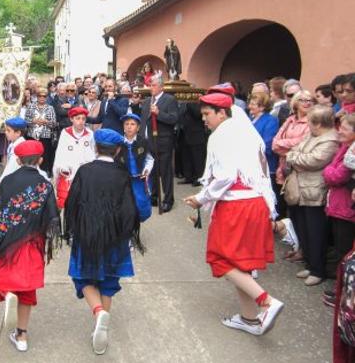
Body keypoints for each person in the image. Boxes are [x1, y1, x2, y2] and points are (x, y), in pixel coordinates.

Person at [183, 92, 283, 336]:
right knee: (242, 265)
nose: (204, 119)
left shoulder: (222, 134)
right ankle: (249, 319)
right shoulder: (246, 131)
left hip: (236, 206)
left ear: (222, 113)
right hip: (256, 203)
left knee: (220, 259)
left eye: (207, 114)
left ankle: (266, 302)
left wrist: (201, 198)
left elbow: (226, 176)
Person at [0, 140, 60, 352]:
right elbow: (52, 219)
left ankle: (7, 295)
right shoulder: (44, 184)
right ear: (40, 160)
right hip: (31, 244)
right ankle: (21, 336)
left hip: (7, 242)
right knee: (27, 290)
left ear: (18, 160)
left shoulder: (7, 181)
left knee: (2, 278)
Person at [65, 128, 142, 355]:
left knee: (82, 276)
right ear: (118, 149)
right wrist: (127, 235)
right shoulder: (122, 173)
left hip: (87, 235)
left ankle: (99, 312)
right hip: (115, 237)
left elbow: (72, 203)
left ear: (95, 147)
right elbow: (130, 208)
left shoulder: (85, 171)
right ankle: (102, 328)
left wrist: (72, 230)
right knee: (108, 281)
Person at [285, 105, 339, 286]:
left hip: (315, 192)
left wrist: (294, 157)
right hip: (302, 190)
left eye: (309, 121)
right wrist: (296, 156)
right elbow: (294, 149)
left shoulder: (330, 141)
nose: (307, 124)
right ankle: (310, 263)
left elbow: (313, 161)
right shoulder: (313, 136)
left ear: (317, 124)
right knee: (304, 230)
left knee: (316, 233)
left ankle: (318, 270)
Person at [323, 113, 355, 308]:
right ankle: (340, 289)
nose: (339, 130)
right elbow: (331, 171)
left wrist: (327, 172)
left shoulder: (351, 151)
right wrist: (328, 171)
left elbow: (335, 176)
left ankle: (343, 293)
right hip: (338, 204)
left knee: (345, 252)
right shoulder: (345, 148)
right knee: (340, 250)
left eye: (344, 127)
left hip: (346, 208)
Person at [138, 74, 179, 213]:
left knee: (165, 172)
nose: (151, 87)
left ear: (161, 86)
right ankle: (154, 196)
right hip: (148, 142)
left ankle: (168, 200)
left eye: (154, 85)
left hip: (163, 141)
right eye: (150, 85)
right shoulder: (147, 101)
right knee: (153, 170)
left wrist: (159, 113)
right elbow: (143, 121)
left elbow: (174, 119)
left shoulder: (169, 100)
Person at [273, 90, 313, 227]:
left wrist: (282, 144)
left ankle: (302, 246)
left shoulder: (312, 121)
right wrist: (285, 146)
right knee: (291, 208)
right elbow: (274, 144)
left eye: (309, 100)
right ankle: (295, 242)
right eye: (303, 100)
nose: (307, 103)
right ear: (295, 103)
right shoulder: (289, 120)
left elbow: (303, 143)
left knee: (300, 210)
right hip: (285, 168)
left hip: (300, 170)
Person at [52, 107, 95, 209]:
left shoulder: (89, 134)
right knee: (66, 203)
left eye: (83, 119)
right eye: (78, 118)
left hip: (84, 175)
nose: (81, 122)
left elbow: (92, 152)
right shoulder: (65, 133)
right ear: (71, 119)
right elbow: (60, 154)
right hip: (68, 174)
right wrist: (61, 168)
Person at [118, 113, 154, 222]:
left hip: (140, 179)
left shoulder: (143, 142)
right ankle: (126, 228)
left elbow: (149, 159)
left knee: (141, 204)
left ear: (138, 128)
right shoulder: (118, 143)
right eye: (126, 124)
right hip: (123, 180)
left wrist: (146, 170)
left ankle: (135, 224)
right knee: (123, 205)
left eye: (132, 124)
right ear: (123, 127)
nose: (129, 126)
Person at [248, 93, 280, 211]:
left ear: (262, 107)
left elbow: (267, 144)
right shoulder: (251, 118)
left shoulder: (271, 120)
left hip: (264, 164)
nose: (249, 106)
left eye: (253, 104)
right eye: (250, 103)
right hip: (250, 163)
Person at [24, 88, 57, 176]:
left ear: (46, 97)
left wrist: (46, 122)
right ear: (37, 97)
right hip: (32, 135)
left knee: (45, 155)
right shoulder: (31, 106)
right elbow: (26, 121)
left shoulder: (50, 108)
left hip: (45, 136)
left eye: (44, 96)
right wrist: (33, 121)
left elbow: (54, 124)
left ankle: (44, 173)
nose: (42, 98)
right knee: (32, 154)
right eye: (40, 96)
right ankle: (30, 173)